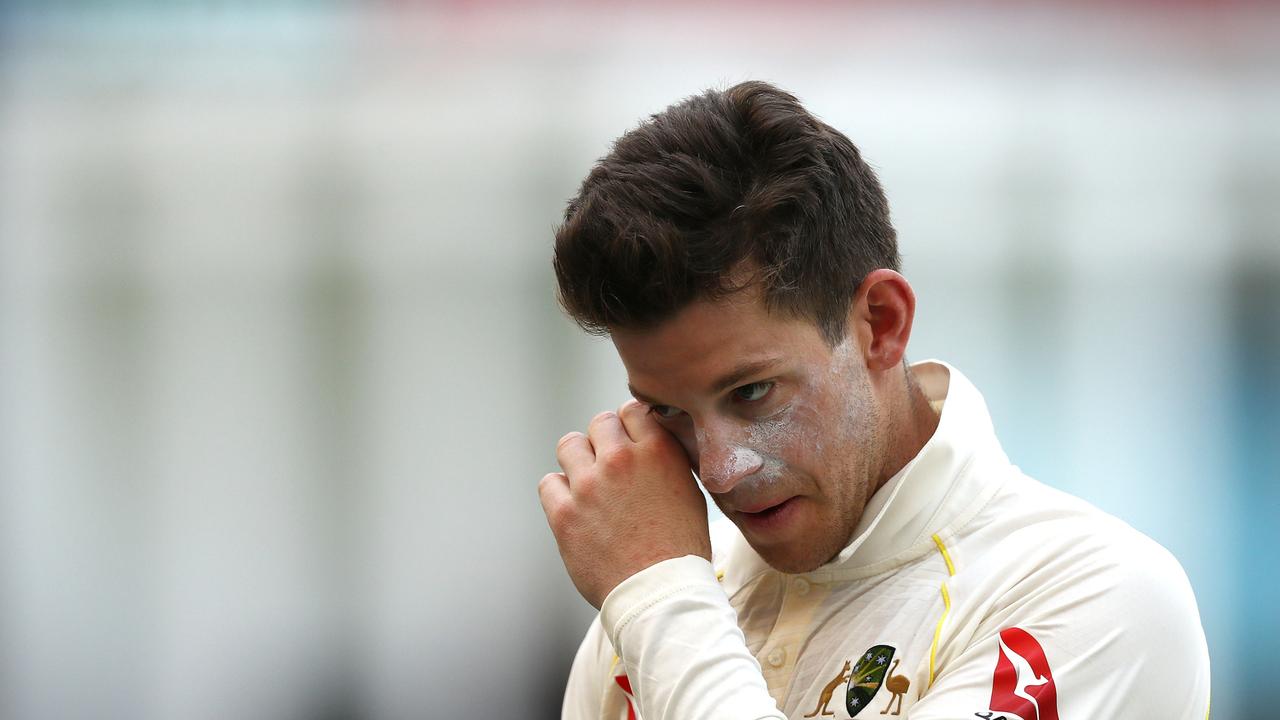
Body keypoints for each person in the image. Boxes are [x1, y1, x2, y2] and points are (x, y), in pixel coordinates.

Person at [537, 81, 1210, 720]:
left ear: (881, 323)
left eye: (751, 392)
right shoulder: (656, 611)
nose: (718, 470)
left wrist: (660, 599)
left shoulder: (1100, 597)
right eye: (668, 413)